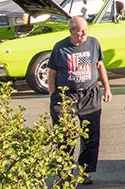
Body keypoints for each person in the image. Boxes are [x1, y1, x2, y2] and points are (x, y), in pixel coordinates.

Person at [46, 15, 112, 177]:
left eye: (85, 31)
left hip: (89, 93)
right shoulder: (60, 48)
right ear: (71, 32)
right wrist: (53, 95)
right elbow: (52, 73)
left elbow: (100, 65)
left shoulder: (93, 43)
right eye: (80, 31)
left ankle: (85, 172)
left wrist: (107, 88)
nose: (83, 34)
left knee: (91, 135)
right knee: (65, 134)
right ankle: (65, 172)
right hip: (66, 95)